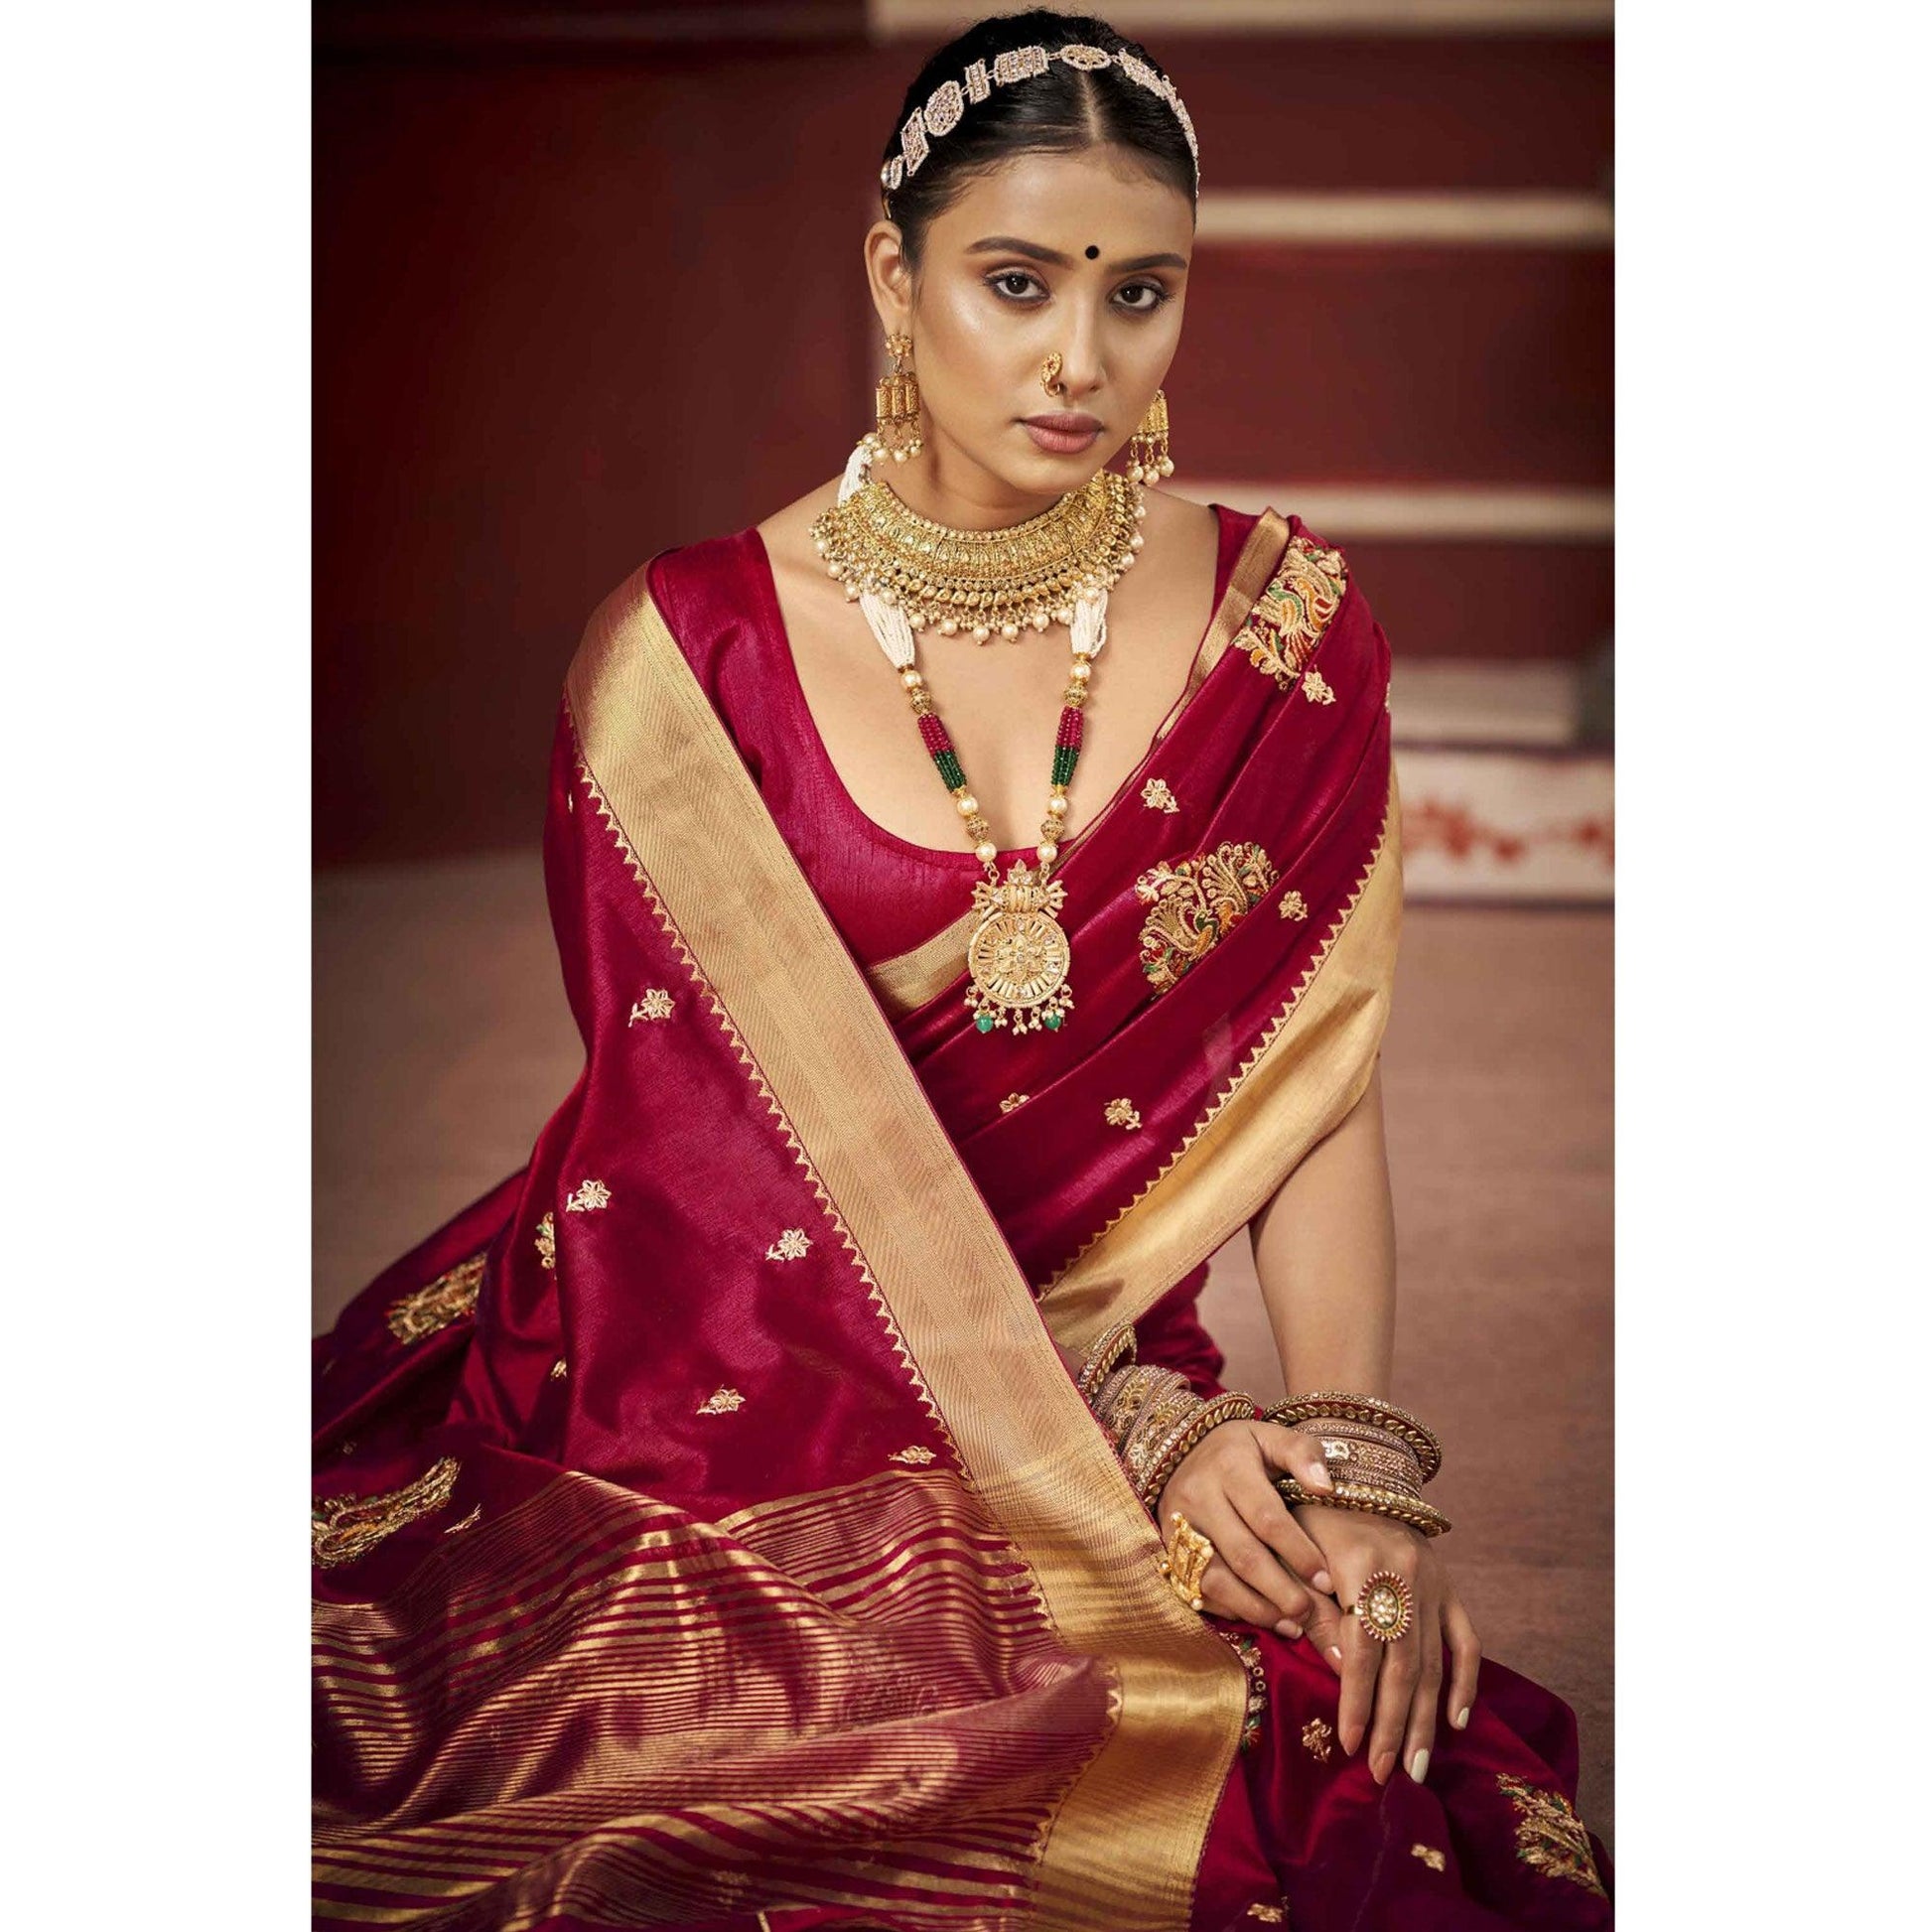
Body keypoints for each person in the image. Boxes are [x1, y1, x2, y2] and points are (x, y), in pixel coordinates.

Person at [313, 13, 1611, 1928]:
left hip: (1102, 1378)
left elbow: (1311, 1092)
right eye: (1015, 283)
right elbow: (699, 1187)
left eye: (1140, 292)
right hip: (715, 1379)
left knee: (1346, 1727)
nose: (1080, 362)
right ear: (888, 272)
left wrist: (1351, 1474)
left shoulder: (1286, 625)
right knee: (666, 1733)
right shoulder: (690, 663)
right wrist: (1145, 1440)